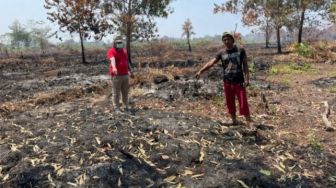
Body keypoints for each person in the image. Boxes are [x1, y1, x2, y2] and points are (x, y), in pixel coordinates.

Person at [195, 32, 252, 127]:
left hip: (239, 81)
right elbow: (211, 62)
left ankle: (249, 122)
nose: (226, 41)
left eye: (228, 39)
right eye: (224, 40)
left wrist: (247, 79)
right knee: (230, 102)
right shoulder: (221, 53)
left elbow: (245, 65)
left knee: (243, 102)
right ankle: (234, 120)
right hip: (227, 81)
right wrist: (201, 71)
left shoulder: (240, 50)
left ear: (232, 40)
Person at [107, 36, 134, 112]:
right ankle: (116, 107)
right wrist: (114, 68)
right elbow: (112, 60)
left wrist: (131, 71)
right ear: (114, 44)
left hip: (125, 74)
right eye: (118, 43)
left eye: (121, 42)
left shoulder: (124, 51)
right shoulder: (111, 51)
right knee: (116, 92)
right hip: (116, 75)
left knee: (125, 92)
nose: (120, 44)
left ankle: (125, 106)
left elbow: (127, 62)